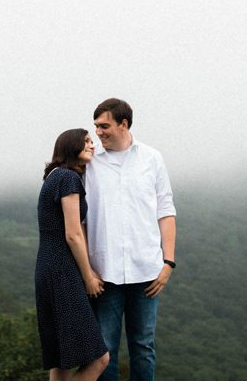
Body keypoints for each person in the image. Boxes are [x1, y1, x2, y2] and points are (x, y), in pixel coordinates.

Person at [85, 98, 176, 381]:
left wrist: (168, 263)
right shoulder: (90, 162)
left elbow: (166, 210)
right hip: (104, 274)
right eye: (96, 126)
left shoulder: (152, 158)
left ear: (123, 124)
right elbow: (80, 219)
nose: (98, 132)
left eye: (104, 126)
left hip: (146, 272)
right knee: (104, 350)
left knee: (143, 347)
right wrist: (87, 271)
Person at [35, 128, 111, 381]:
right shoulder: (68, 178)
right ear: (71, 146)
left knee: (61, 360)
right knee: (100, 359)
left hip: (47, 268)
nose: (92, 145)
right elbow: (73, 234)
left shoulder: (54, 176)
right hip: (62, 271)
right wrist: (88, 276)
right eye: (86, 141)